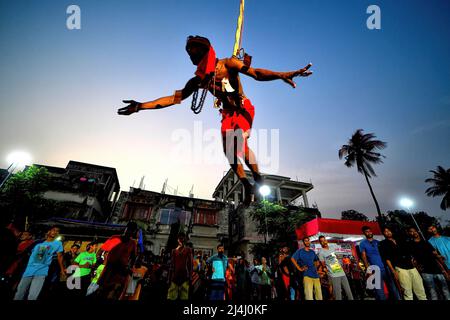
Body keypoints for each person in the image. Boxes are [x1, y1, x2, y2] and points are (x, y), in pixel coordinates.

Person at [118, 35, 313, 206]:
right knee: (229, 154)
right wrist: (141, 106)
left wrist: (282, 75)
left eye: (194, 53)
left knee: (240, 144)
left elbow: (256, 74)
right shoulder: (198, 80)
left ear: (205, 51)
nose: (191, 58)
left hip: (243, 108)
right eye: (189, 55)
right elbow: (172, 99)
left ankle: (258, 178)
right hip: (227, 113)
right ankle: (246, 184)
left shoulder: (228, 64)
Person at [14, 226, 65, 300]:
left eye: (57, 231)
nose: (55, 232)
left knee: (33, 296)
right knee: (20, 293)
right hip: (29, 270)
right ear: (49, 231)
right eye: (54, 230)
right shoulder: (38, 242)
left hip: (42, 271)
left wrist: (62, 270)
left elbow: (60, 257)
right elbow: (25, 253)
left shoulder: (58, 243)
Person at [379, 227, 427, 300]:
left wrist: (415, 264)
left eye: (389, 230)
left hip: (411, 267)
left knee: (420, 290)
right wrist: (393, 271)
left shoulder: (400, 240)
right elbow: (387, 259)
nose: (388, 232)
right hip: (400, 268)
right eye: (385, 231)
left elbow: (409, 253)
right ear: (383, 234)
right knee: (407, 293)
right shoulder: (383, 244)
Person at [96, 221, 138, 300]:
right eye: (128, 229)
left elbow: (134, 258)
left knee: (113, 293)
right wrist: (99, 259)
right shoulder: (114, 238)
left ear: (133, 232)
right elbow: (101, 251)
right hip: (109, 269)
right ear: (125, 229)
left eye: (132, 230)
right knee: (100, 291)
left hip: (121, 271)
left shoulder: (133, 243)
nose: (129, 231)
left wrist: (130, 268)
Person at [407, 227, 450, 300]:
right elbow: (413, 260)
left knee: (445, 290)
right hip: (426, 272)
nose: (414, 233)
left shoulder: (426, 242)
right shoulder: (410, 245)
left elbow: (435, 254)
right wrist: (418, 269)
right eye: (411, 231)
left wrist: (444, 269)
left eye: (415, 231)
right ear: (409, 233)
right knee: (432, 293)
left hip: (437, 270)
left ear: (418, 232)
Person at [359, 226, 401, 300]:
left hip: (386, 267)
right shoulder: (363, 243)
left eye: (370, 231)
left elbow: (386, 254)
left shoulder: (378, 242)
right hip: (375, 270)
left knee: (393, 288)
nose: (369, 232)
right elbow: (364, 257)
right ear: (364, 233)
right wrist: (368, 270)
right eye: (366, 231)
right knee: (380, 291)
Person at [318, 236, 354, 300]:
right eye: (322, 241)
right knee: (338, 294)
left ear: (326, 240)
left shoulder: (332, 248)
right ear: (320, 243)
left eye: (324, 240)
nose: (324, 242)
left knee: (348, 291)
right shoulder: (321, 252)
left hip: (342, 273)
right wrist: (328, 273)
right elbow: (323, 265)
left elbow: (337, 258)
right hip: (334, 275)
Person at [167, 233, 193, 300]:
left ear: (185, 240)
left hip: (185, 277)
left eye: (183, 238)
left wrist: (190, 277)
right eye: (180, 238)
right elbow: (172, 265)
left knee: (184, 297)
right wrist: (169, 278)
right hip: (174, 277)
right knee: (171, 297)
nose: (181, 240)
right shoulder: (174, 251)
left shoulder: (188, 250)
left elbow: (190, 264)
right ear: (178, 240)